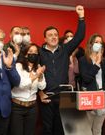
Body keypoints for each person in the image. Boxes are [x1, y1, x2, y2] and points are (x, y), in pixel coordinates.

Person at [38, 5, 85, 135]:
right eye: (50, 35)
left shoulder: (65, 49)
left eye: (55, 35)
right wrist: (40, 92)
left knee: (61, 129)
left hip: (64, 96)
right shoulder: (39, 52)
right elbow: (34, 74)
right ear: (45, 39)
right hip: (47, 96)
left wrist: (81, 17)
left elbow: (79, 37)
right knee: (47, 129)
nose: (53, 37)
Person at [79, 33, 105, 135]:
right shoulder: (83, 60)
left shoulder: (104, 61)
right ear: (90, 44)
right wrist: (96, 64)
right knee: (87, 130)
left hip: (102, 96)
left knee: (97, 129)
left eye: (100, 42)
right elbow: (86, 79)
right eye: (96, 42)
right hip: (89, 97)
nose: (99, 44)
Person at [10, 43, 46, 135]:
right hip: (17, 107)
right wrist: (35, 76)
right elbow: (21, 84)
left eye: (35, 52)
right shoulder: (19, 66)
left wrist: (40, 76)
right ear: (26, 54)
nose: (33, 54)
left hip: (32, 107)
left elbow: (42, 86)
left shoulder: (38, 67)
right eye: (30, 52)